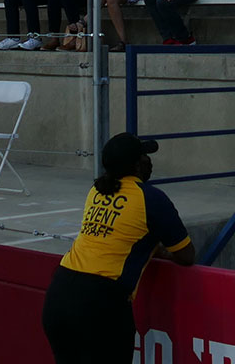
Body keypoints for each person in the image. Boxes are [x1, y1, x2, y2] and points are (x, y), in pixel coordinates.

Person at [40, 133, 193, 364]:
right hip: (101, 303)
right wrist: (158, 250)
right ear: (137, 164)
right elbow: (186, 255)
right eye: (144, 156)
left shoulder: (96, 190)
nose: (149, 161)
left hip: (59, 294)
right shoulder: (151, 199)